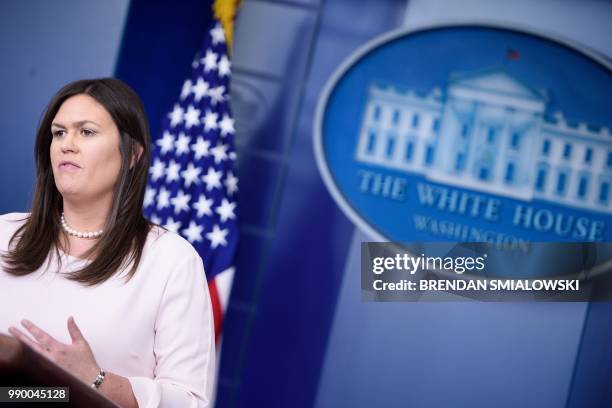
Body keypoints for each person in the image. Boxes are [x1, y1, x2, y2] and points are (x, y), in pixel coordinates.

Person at [0, 78, 215, 407]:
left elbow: (190, 402)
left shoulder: (171, 261)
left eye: (85, 132)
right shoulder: (4, 235)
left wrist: (93, 378)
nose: (66, 144)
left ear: (132, 155)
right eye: (59, 132)